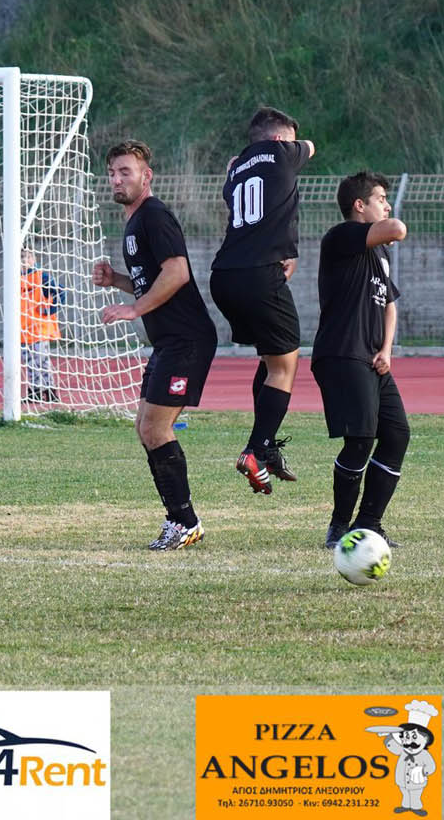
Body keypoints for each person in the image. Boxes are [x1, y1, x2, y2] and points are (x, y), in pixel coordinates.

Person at [93, 140, 218, 550]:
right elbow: (152, 281)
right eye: (112, 173)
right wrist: (117, 280)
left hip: (187, 339)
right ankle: (178, 519)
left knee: (155, 428)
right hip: (168, 342)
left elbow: (177, 273)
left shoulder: (154, 215)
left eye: (125, 172)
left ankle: (185, 522)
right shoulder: (134, 221)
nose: (116, 180)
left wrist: (134, 310)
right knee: (145, 427)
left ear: (146, 176)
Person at [208, 106, 315, 495]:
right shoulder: (282, 151)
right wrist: (290, 145)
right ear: (278, 139)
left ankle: (265, 446)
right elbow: (311, 146)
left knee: (272, 359)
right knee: (287, 363)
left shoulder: (235, 170)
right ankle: (256, 450)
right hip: (259, 273)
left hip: (224, 275)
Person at [311, 172, 409, 550]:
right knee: (361, 439)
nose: (387, 205)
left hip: (372, 358)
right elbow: (397, 228)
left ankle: (368, 523)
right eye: (380, 199)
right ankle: (338, 527)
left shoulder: (379, 254)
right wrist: (388, 226)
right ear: (359, 205)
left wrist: (386, 350)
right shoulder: (342, 236)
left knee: (397, 434)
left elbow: (389, 305)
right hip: (342, 353)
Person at [20, 247, 64, 404]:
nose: (24, 261)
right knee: (30, 362)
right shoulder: (15, 278)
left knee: (40, 361)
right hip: (23, 329)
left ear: (34, 259)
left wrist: (50, 310)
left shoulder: (42, 277)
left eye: (28, 257)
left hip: (40, 328)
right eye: (21, 258)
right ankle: (38, 392)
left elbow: (60, 292)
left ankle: (48, 391)